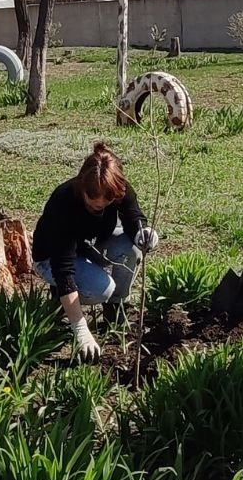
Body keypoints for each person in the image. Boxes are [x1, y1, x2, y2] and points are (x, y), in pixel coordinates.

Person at [32, 143, 160, 360]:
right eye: (93, 204)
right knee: (101, 289)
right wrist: (81, 329)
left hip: (89, 245)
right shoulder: (65, 202)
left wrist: (143, 232)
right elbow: (63, 269)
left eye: (106, 203)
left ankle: (116, 311)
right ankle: (60, 302)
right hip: (52, 259)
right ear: (82, 188)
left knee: (132, 249)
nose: (100, 206)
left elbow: (132, 216)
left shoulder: (117, 188)